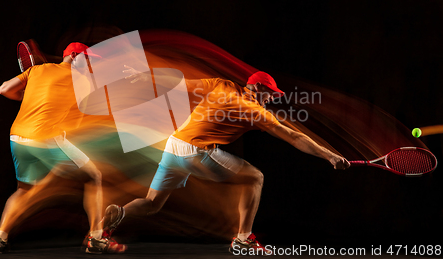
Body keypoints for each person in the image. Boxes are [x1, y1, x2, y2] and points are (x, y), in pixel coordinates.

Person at [102, 69, 350, 254]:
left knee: (152, 203)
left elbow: (179, 85)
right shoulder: (255, 110)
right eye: (271, 93)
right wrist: (329, 155)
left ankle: (117, 217)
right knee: (254, 177)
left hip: (173, 145)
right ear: (258, 89)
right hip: (195, 151)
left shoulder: (220, 84)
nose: (272, 99)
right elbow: (294, 137)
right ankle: (243, 238)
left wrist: (146, 77)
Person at [0, 42, 126, 254]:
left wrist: (30, 95)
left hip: (18, 137)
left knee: (24, 190)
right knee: (94, 176)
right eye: (87, 59)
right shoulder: (84, 80)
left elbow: (3, 89)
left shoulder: (36, 70)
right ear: (73, 55)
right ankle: (96, 238)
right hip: (47, 137)